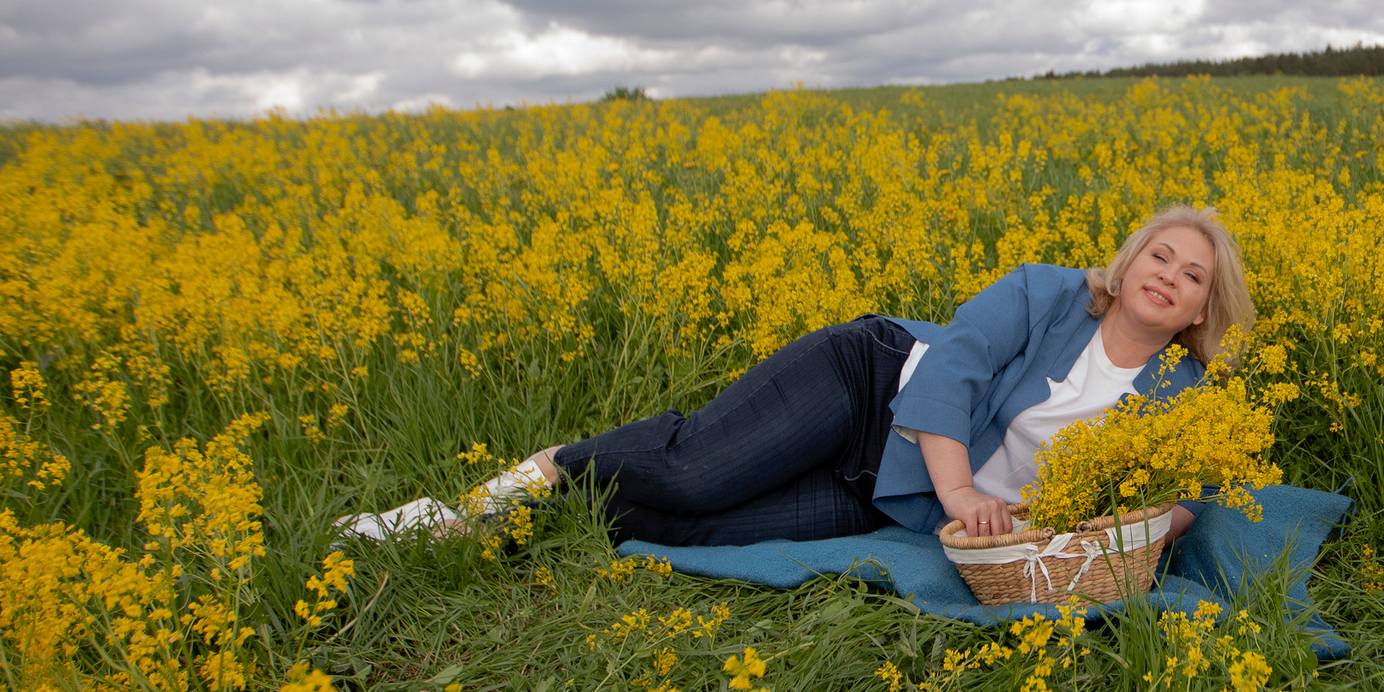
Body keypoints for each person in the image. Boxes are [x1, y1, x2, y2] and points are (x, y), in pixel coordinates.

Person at [336, 205, 1255, 550]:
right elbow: (959, 371)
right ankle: (516, 482)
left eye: (1191, 277)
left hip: (889, 496)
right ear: (1131, 257)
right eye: (1161, 254)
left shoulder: (1183, 399)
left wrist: (1116, 536)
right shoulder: (1048, 294)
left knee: (684, 528)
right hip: (870, 388)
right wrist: (963, 492)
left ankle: (511, 536)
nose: (1167, 275)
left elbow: (1182, 500)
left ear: (1199, 314)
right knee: (696, 472)